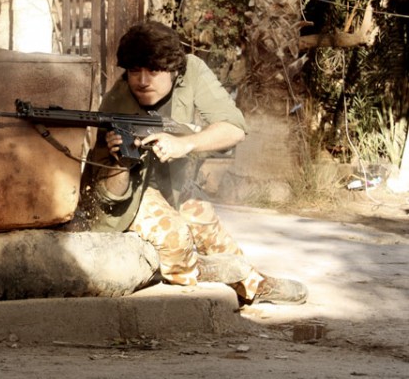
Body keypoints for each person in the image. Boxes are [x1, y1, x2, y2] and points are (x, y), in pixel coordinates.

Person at [80, 21, 307, 305]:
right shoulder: (116, 102)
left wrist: (185, 144)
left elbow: (234, 129)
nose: (143, 81)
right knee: (174, 236)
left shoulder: (192, 71)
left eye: (154, 71)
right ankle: (200, 272)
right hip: (134, 193)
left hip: (174, 180)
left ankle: (253, 285)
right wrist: (120, 161)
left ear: (174, 69)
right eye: (134, 71)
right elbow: (107, 197)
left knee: (204, 219)